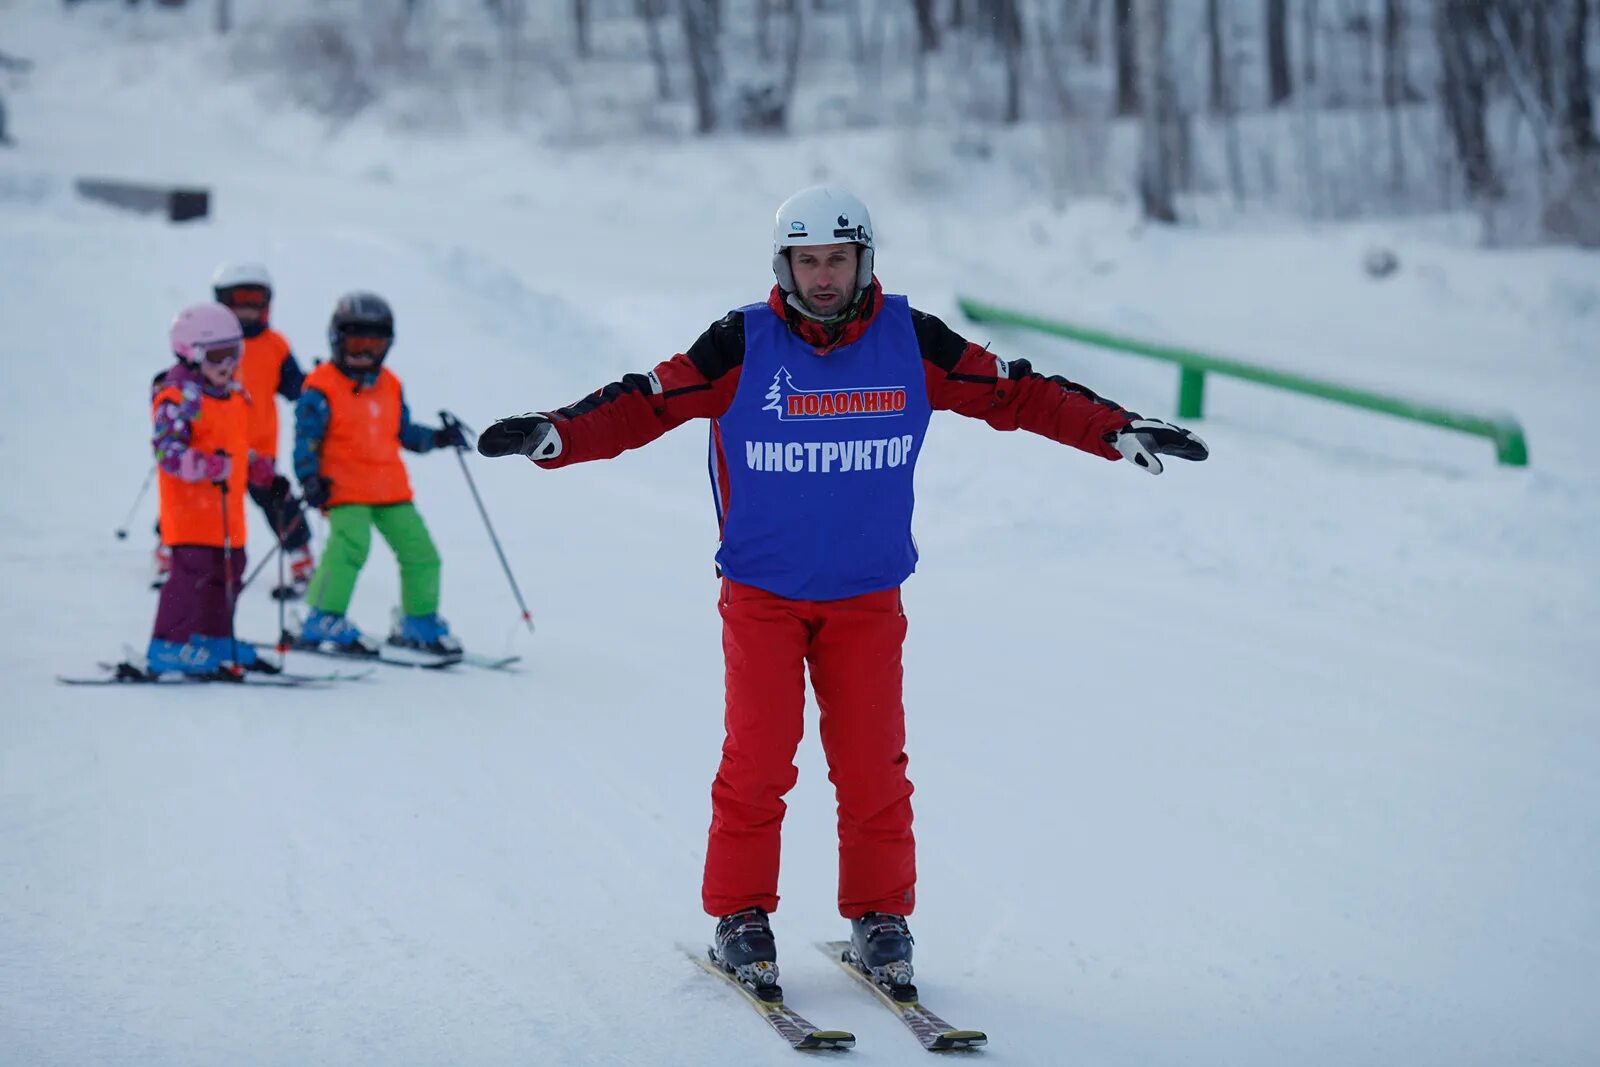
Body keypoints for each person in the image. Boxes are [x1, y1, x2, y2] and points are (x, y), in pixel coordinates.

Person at [475, 185, 1210, 997]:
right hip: (764, 592)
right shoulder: (739, 343)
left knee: (872, 765)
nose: (823, 276)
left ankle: (880, 916)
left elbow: (1016, 391)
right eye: (807, 260)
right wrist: (559, 433)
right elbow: (648, 402)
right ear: (783, 264)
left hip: (867, 594)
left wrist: (1114, 428)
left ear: (865, 259)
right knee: (759, 756)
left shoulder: (911, 339)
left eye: (838, 258)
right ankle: (741, 915)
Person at [291, 291, 469, 657]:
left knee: (421, 552)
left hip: (390, 489)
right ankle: (321, 617)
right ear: (337, 340)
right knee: (350, 547)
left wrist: (437, 437)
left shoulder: (390, 384)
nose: (364, 352)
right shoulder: (320, 388)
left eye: (373, 344)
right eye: (356, 342)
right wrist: (309, 477)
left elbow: (403, 433)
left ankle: (418, 621)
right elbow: (305, 441)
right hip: (341, 488)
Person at [146, 302, 273, 676]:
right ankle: (167, 643)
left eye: (234, 352)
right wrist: (205, 465)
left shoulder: (234, 396)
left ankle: (212, 637)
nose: (227, 363)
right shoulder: (179, 398)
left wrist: (255, 465)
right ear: (191, 353)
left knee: (230, 569)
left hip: (226, 513)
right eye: (217, 355)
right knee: (191, 572)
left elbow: (232, 444)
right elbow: (167, 451)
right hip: (190, 512)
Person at [211, 261, 317, 598]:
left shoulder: (275, 345)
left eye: (253, 300)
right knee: (200, 503)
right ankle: (170, 551)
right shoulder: (211, 343)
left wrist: (318, 386)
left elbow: (295, 388)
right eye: (237, 301)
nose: (245, 310)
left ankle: (301, 560)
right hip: (215, 449)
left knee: (281, 504)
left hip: (259, 453)